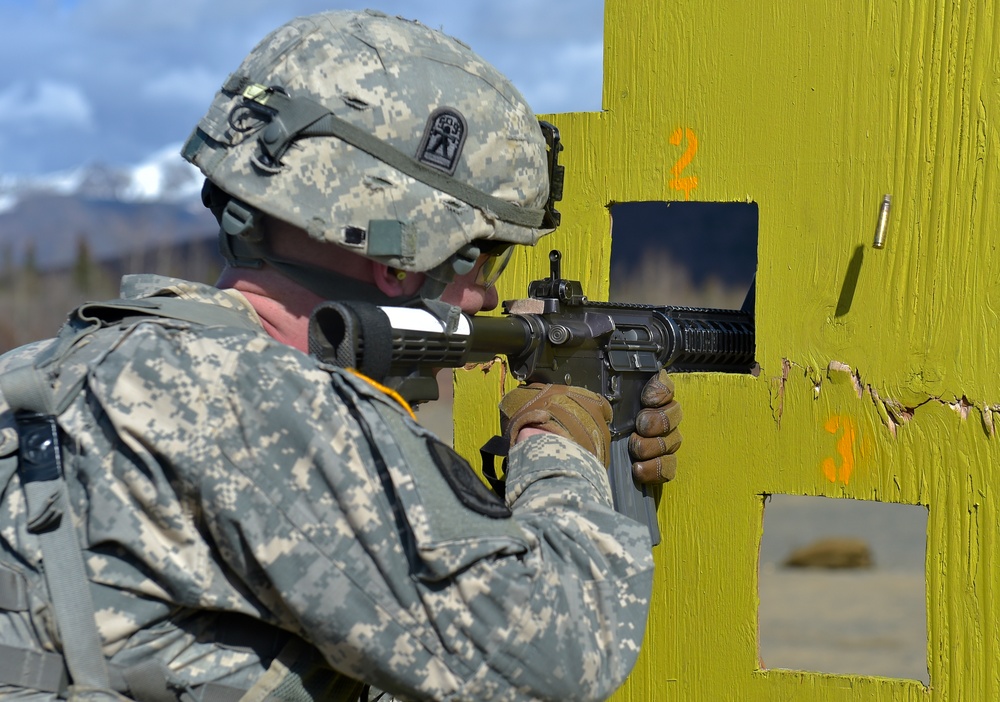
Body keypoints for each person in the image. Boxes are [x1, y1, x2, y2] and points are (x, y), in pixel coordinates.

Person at [0, 9, 682, 701]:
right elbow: (562, 652)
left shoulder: (52, 367)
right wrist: (560, 446)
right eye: (486, 260)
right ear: (403, 259)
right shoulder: (271, 410)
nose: (486, 299)